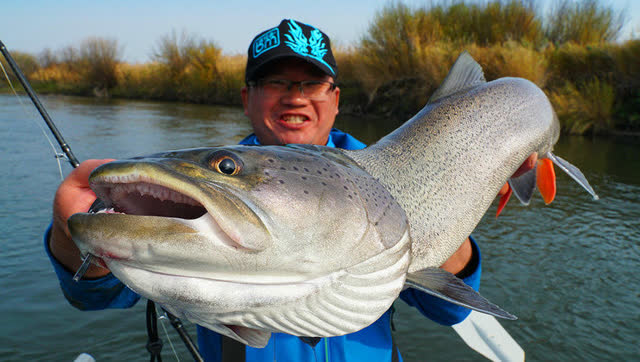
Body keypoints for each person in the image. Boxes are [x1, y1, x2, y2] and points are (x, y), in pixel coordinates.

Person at [47, 19, 535, 361]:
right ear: (248, 98)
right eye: (274, 81)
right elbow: (97, 299)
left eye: (311, 83)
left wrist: (464, 192)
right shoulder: (209, 189)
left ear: (335, 99)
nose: (295, 96)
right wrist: (72, 236)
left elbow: (448, 308)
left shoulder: (387, 175)